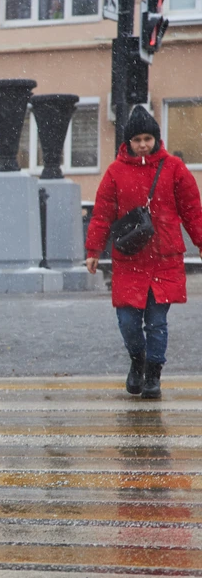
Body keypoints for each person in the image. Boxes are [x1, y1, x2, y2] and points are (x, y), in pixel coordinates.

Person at [85, 106, 202, 399]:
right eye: (137, 139)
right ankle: (137, 361)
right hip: (130, 258)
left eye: (147, 138)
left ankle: (153, 375)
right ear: (128, 142)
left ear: (156, 139)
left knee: (157, 322)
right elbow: (101, 214)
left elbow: (192, 211)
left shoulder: (174, 167)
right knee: (127, 322)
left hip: (164, 258)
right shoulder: (115, 172)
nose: (143, 144)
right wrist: (94, 249)